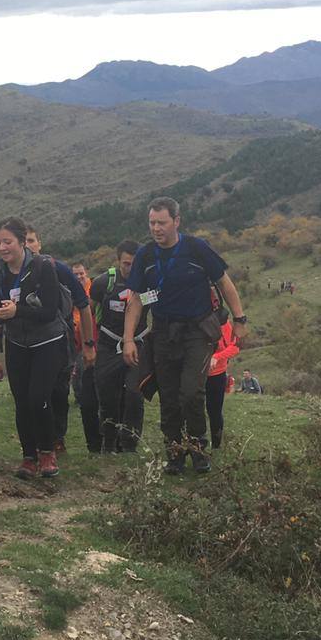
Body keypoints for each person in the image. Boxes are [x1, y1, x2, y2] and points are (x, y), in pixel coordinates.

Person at [121, 197, 246, 475]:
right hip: (164, 332)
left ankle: (199, 449)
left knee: (191, 392)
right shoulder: (146, 255)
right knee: (169, 396)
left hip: (197, 331)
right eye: (152, 223)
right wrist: (128, 338)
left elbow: (224, 282)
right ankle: (175, 453)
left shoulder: (196, 248)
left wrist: (239, 319)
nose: (156, 229)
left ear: (176, 221)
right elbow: (137, 299)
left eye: (162, 223)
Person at [0, 217, 68, 479]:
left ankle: (47, 452)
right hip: (17, 342)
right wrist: (3, 318)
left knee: (38, 398)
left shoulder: (43, 267)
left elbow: (49, 311)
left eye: (7, 242)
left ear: (22, 242)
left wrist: (16, 311)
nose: (2, 248)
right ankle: (28, 456)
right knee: (21, 401)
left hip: (47, 341)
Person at [24, 227, 91, 454]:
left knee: (59, 390)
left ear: (40, 243)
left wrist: (89, 344)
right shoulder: (12, 272)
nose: (27, 245)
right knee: (31, 391)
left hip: (61, 339)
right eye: (23, 241)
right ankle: (36, 441)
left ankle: (57, 438)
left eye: (31, 240)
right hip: (26, 340)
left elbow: (83, 302)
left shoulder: (57, 268)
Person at [90, 240, 150, 454]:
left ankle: (130, 444)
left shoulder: (149, 284)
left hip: (138, 343)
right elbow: (90, 311)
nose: (130, 268)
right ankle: (108, 442)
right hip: (108, 344)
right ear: (118, 261)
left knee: (135, 394)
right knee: (108, 396)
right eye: (126, 264)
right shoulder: (103, 283)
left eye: (135, 264)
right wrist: (90, 343)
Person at [68, 262, 101, 452]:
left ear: (86, 273)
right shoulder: (69, 292)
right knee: (79, 380)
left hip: (94, 342)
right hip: (75, 342)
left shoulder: (94, 290)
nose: (79, 277)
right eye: (75, 274)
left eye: (81, 273)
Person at [204, 296, 239, 455]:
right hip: (195, 373)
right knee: (192, 408)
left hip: (216, 374)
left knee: (214, 410)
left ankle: (216, 446)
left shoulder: (223, 323)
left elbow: (235, 347)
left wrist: (216, 357)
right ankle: (195, 444)